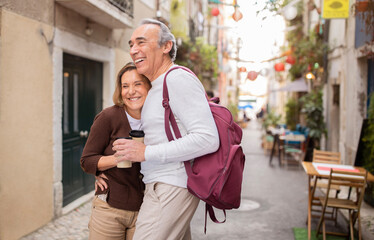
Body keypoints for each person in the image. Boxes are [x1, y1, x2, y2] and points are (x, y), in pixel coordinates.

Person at [113, 18, 219, 240]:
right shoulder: (156, 86)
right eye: (131, 44)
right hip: (160, 184)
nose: (133, 50)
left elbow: (208, 138)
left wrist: (146, 152)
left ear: (166, 46)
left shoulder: (177, 79)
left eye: (141, 42)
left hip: (172, 184)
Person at [80, 62, 151, 240]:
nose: (130, 91)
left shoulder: (158, 118)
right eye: (125, 86)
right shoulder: (108, 117)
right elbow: (87, 160)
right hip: (110, 209)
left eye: (137, 84)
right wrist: (118, 159)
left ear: (149, 86)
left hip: (148, 211)